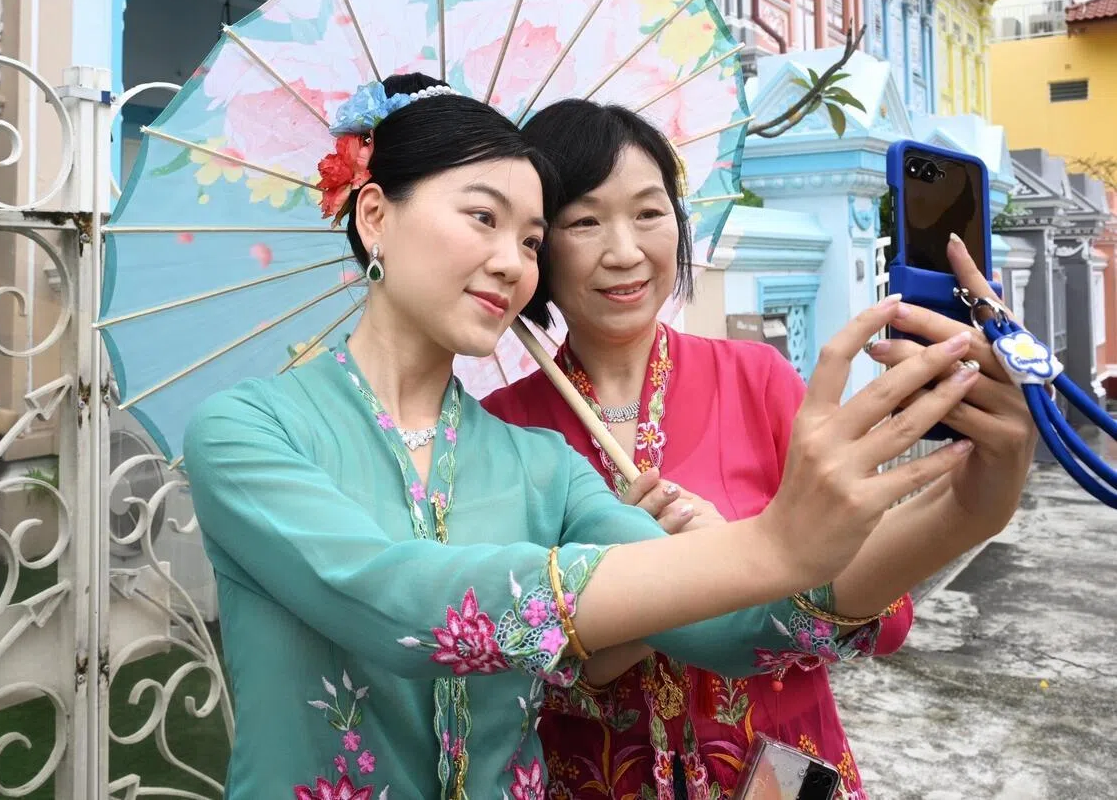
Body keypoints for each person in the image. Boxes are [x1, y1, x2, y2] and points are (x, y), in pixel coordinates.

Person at [184, 75, 990, 800]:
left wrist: (973, 501)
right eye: (482, 218)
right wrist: (774, 544)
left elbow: (739, 631)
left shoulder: (540, 460)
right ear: (374, 216)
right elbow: (402, 601)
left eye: (531, 240)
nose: (511, 262)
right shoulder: (247, 431)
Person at [483, 99, 1035, 800]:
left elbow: (883, 615)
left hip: (777, 771)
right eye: (584, 221)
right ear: (537, 245)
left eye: (650, 213)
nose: (625, 250)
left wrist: (972, 503)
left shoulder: (757, 378)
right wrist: (672, 585)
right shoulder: (501, 428)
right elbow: (510, 669)